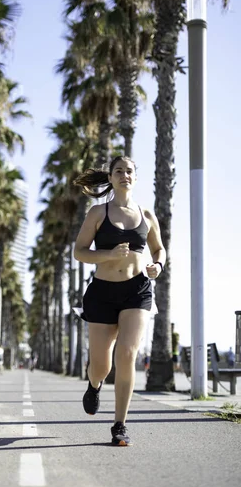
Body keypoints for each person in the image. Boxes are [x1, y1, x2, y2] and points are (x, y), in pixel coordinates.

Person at [73, 156, 166, 446]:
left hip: (137, 290)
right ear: (111, 178)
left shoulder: (147, 215)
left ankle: (119, 425)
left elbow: (159, 249)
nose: (124, 175)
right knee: (101, 365)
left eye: (129, 171)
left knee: (127, 353)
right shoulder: (98, 212)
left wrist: (157, 267)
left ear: (135, 177)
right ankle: (94, 383)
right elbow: (79, 252)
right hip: (102, 292)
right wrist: (109, 255)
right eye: (118, 171)